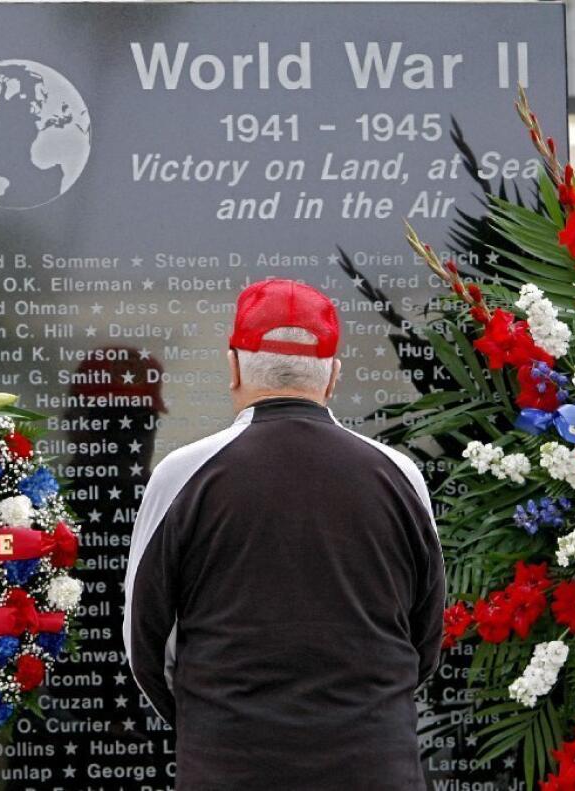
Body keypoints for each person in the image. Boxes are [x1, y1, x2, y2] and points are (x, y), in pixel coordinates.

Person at [124, 278, 445, 790]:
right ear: (333, 376)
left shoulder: (182, 475)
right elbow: (423, 639)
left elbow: (146, 647)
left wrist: (218, 725)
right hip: (375, 769)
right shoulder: (398, 476)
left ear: (232, 366)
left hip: (229, 770)